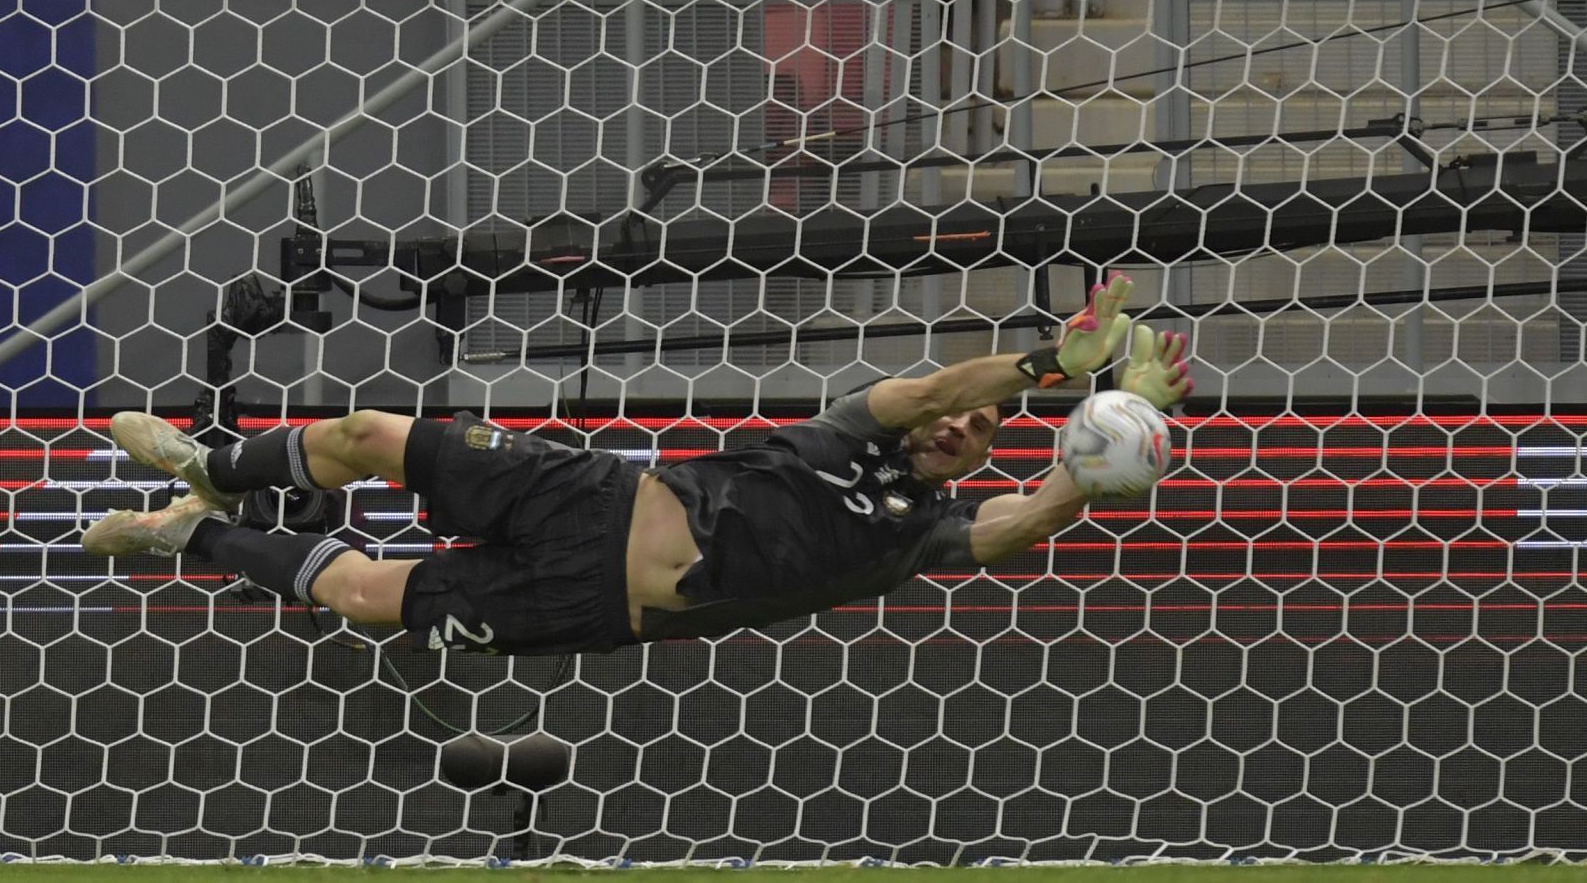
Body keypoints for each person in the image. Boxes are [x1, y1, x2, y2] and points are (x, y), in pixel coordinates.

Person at [83, 274, 1192, 654]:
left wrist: (1091, 471)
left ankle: (189, 531)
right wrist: (1055, 361)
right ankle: (218, 465)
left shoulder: (921, 532)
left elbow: (1011, 528)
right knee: (369, 435)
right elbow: (943, 387)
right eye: (967, 421)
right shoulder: (854, 426)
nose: (964, 431)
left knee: (372, 595)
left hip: (587, 604)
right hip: (593, 490)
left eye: (987, 439)